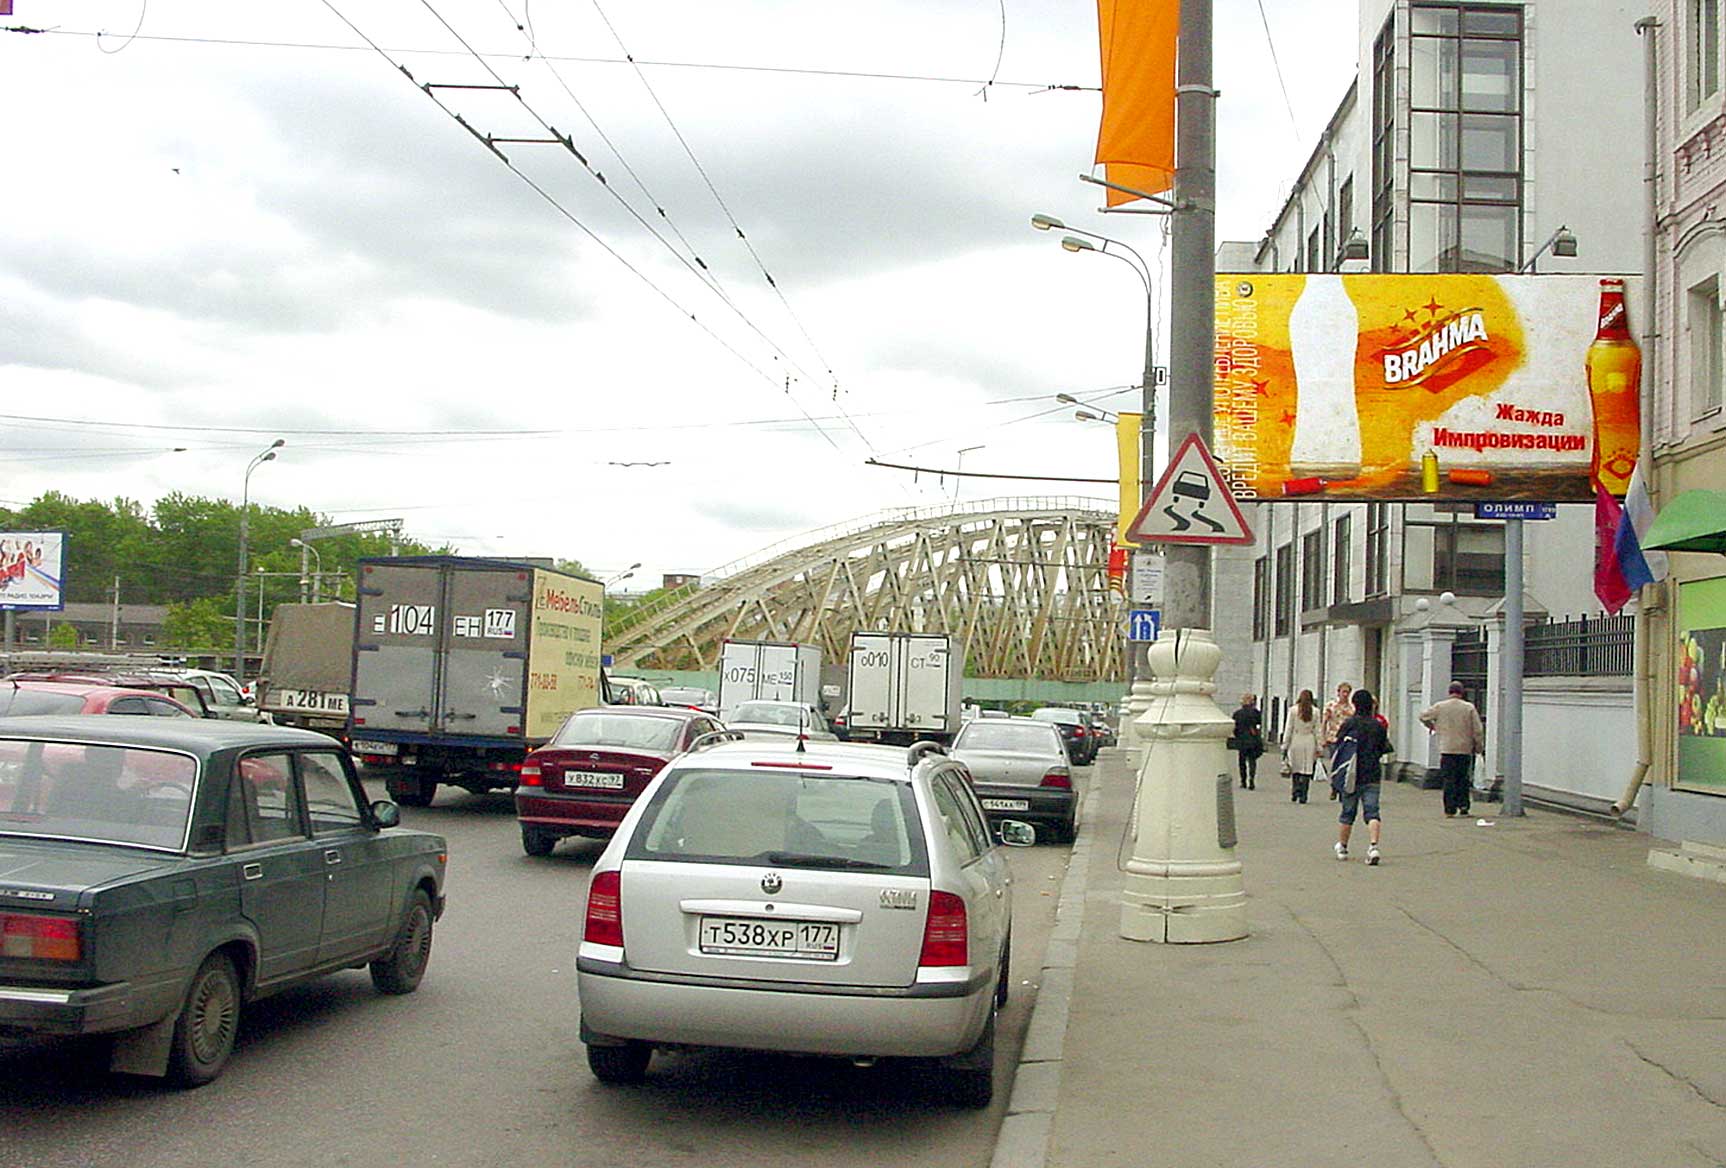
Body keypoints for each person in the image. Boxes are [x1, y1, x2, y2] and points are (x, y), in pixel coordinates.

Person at [1332, 688, 1390, 865]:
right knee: (1372, 812)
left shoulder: (1349, 724)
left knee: (1348, 812)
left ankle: (1342, 847)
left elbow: (1339, 748)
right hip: (1372, 773)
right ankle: (1373, 846)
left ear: (1355, 704)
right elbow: (1383, 748)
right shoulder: (1377, 726)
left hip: (1351, 774)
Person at [1421, 681, 1486, 817]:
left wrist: (1432, 726)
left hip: (1446, 748)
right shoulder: (1469, 708)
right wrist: (1479, 747)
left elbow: (1423, 716)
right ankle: (1463, 806)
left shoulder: (1440, 706)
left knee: (1449, 779)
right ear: (1462, 692)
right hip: (1464, 749)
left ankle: (1449, 809)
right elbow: (1478, 730)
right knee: (1463, 778)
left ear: (1449, 692)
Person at [1283, 689, 1319, 804]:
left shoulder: (1293, 710)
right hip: (1309, 740)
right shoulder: (1315, 712)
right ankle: (1304, 794)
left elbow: (1289, 728)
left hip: (1296, 739)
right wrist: (1319, 747)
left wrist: (1285, 744)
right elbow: (1317, 730)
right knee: (1307, 769)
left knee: (1296, 767)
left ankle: (1295, 791)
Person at [1320, 683, 1353, 799]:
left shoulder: (1352, 708)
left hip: (1347, 740)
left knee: (1345, 764)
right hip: (1333, 739)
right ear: (1338, 692)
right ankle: (1334, 787)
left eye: (1347, 692)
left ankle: (1343, 787)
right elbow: (1324, 722)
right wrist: (1322, 738)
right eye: (1343, 692)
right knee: (1335, 763)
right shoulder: (1331, 706)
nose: (1345, 694)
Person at [1230, 694, 1264, 789]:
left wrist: (1237, 736)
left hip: (1241, 740)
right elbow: (1259, 725)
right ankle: (1252, 779)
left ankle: (1243, 781)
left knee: (1242, 761)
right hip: (1253, 739)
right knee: (1252, 760)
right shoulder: (1256, 713)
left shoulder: (1237, 713)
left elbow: (1234, 728)